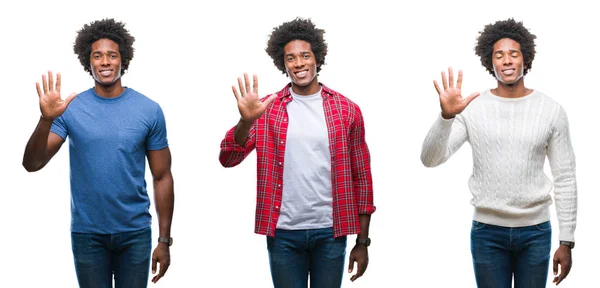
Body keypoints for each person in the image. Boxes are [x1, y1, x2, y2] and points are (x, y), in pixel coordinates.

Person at [219, 17, 376, 288]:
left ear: (318, 58)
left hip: (331, 231)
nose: (299, 63)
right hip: (283, 233)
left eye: (305, 56)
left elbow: (362, 178)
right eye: (291, 58)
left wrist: (362, 241)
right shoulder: (267, 109)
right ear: (283, 64)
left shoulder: (347, 110)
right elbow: (228, 158)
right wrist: (245, 121)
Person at [420, 18, 577, 287]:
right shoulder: (473, 108)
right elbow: (430, 159)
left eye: (513, 54)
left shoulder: (551, 110)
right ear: (489, 62)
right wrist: (446, 117)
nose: (506, 60)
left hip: (536, 232)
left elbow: (565, 177)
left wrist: (567, 239)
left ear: (525, 59)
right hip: (487, 233)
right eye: (499, 55)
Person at [22, 18, 174, 288]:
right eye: (97, 55)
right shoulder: (69, 108)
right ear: (87, 61)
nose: (105, 62)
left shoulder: (149, 110)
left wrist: (164, 241)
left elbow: (162, 176)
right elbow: (32, 164)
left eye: (112, 55)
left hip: (135, 233)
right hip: (88, 235)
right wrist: (45, 120)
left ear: (123, 60)